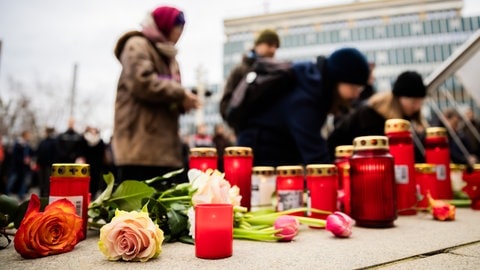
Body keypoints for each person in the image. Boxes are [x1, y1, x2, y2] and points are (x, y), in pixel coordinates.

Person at [232, 47, 370, 166]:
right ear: (338, 80)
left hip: (270, 153)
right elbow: (316, 157)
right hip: (259, 157)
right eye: (354, 87)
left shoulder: (314, 86)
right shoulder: (307, 97)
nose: (357, 94)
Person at [112, 5, 199, 185]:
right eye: (178, 29)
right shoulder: (137, 45)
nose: (180, 34)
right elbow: (142, 82)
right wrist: (180, 94)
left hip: (164, 149)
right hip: (139, 147)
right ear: (166, 25)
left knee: (161, 209)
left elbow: (167, 94)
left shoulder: (170, 57)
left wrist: (183, 103)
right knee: (133, 210)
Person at [328, 70, 429, 162]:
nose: (416, 106)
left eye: (420, 102)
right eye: (413, 101)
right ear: (398, 98)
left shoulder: (405, 116)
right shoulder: (372, 116)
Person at [220, 29, 281, 132]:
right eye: (270, 45)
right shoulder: (239, 71)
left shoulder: (276, 73)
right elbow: (225, 106)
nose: (273, 50)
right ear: (258, 45)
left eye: (276, 47)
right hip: (247, 134)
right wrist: (242, 125)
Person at [6, 130, 35, 200]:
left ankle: (21, 194)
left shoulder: (27, 144)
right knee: (12, 180)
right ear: (24, 135)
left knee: (23, 181)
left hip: (24, 167)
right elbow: (15, 155)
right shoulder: (18, 143)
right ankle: (7, 193)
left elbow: (31, 153)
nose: (29, 137)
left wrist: (29, 159)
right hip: (16, 166)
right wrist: (23, 160)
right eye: (28, 135)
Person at [80, 126, 106, 199]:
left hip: (97, 165)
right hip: (86, 165)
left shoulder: (100, 141)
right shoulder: (83, 140)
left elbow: (102, 153)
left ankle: (94, 195)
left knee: (96, 180)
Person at [36, 127, 57, 197]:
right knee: (41, 181)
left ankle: (47, 195)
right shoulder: (42, 142)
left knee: (48, 181)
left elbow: (55, 154)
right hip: (42, 165)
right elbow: (38, 152)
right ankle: (42, 195)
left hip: (49, 165)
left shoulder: (54, 142)